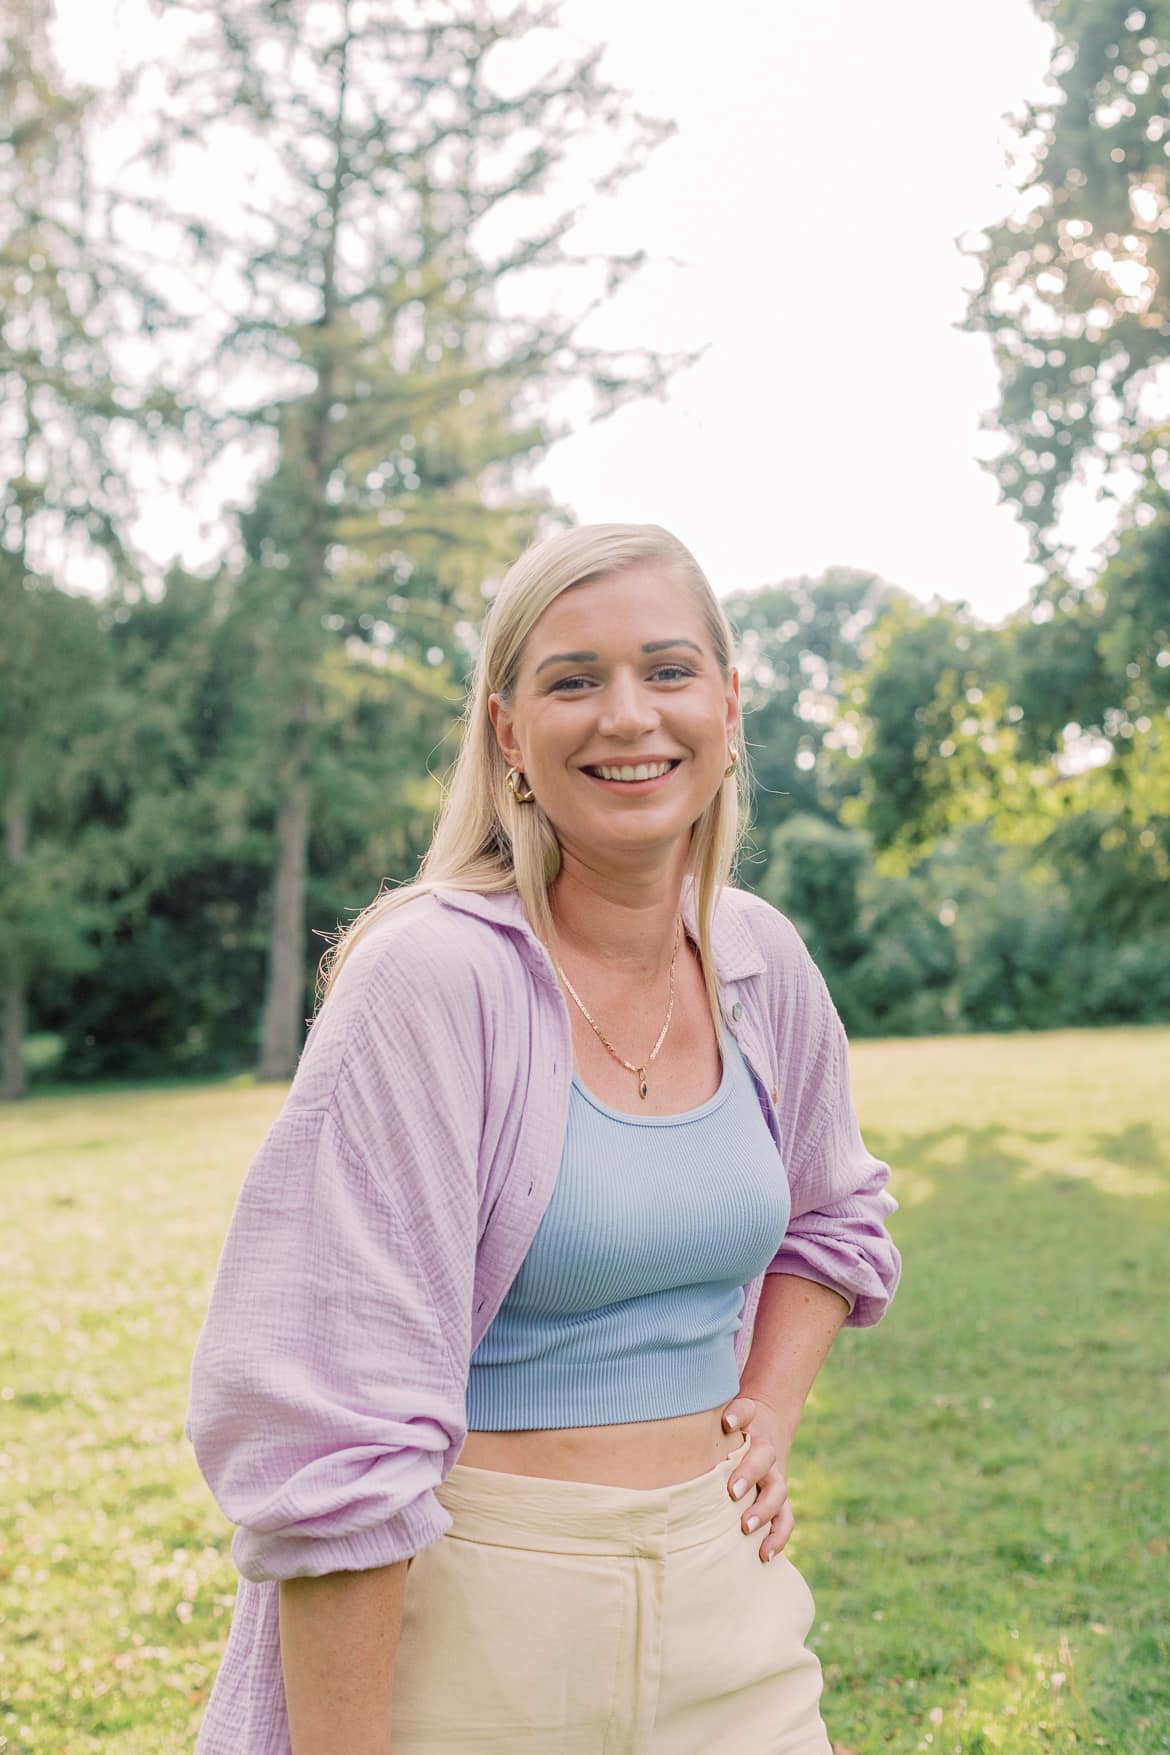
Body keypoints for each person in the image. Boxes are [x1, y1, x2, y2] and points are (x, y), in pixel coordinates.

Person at [186, 522, 901, 1755]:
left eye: (668, 672)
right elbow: (334, 1425)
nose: (629, 715)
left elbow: (835, 1217)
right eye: (575, 680)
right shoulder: (428, 978)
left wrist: (768, 1413)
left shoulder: (760, 959)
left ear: (729, 707)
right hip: (474, 1627)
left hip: (733, 1612)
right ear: (509, 732)